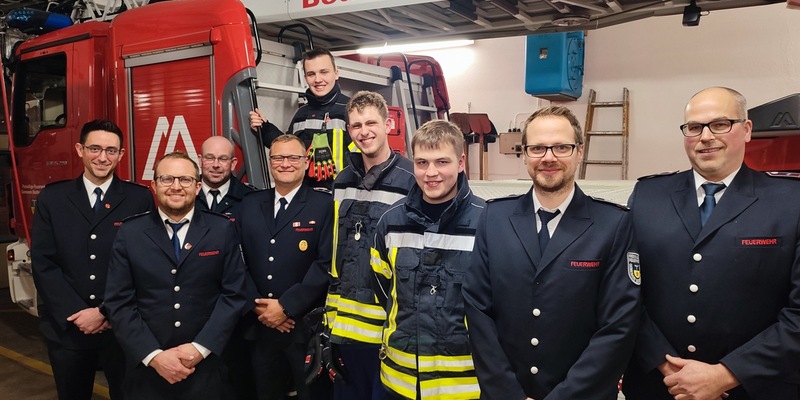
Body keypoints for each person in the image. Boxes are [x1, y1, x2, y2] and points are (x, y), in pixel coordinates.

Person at [622, 87, 800, 400]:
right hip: (660, 386)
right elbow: (624, 294)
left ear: (745, 130)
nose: (705, 137)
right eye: (694, 127)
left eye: (720, 124)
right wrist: (669, 367)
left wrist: (725, 375)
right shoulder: (648, 196)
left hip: (754, 388)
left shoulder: (789, 201)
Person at [462, 105, 641, 399]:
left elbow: (618, 326)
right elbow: (478, 310)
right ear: (524, 154)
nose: (549, 157)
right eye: (538, 148)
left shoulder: (613, 224)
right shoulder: (494, 218)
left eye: (561, 147)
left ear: (579, 151)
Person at [104, 152, 246, 400]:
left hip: (205, 368)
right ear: (154, 185)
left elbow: (233, 295)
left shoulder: (221, 229)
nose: (176, 187)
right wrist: (153, 355)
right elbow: (119, 302)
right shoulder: (130, 233)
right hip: (147, 371)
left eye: (185, 179)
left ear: (198, 186)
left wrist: (199, 349)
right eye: (167, 179)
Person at [31, 119, 155, 400]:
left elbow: (144, 264)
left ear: (121, 154)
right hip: (68, 328)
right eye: (95, 148)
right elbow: (43, 261)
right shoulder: (54, 197)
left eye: (111, 150)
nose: (102, 157)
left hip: (121, 327)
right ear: (80, 149)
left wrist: (105, 311)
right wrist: (77, 312)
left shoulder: (139, 199)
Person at [370, 120, 485, 399]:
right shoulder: (391, 221)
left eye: (441, 162)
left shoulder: (487, 222)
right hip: (399, 383)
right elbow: (382, 288)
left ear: (460, 163)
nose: (430, 173)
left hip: (463, 388)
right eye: (422, 163)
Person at [324, 90, 416, 399]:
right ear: (348, 130)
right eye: (356, 125)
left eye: (371, 123)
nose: (364, 132)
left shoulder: (412, 181)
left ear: (389, 124)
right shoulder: (342, 180)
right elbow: (337, 253)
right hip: (344, 330)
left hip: (388, 332)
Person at [237, 134, 334, 400]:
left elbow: (325, 263)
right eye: (278, 157)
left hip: (303, 328)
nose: (285, 163)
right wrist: (259, 308)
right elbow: (235, 261)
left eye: (293, 157)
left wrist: (286, 307)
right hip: (260, 326)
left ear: (305, 163)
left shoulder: (324, 205)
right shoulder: (249, 204)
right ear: (270, 163)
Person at [251, 47, 354, 188]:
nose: (318, 79)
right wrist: (265, 128)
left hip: (342, 197)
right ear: (305, 78)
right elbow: (289, 149)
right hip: (306, 196)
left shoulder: (352, 110)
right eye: (311, 74)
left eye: (324, 72)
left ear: (336, 73)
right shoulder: (301, 114)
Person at [196, 136, 255, 218]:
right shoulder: (185, 193)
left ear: (233, 163)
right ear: (200, 160)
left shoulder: (251, 198)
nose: (215, 165)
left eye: (223, 159)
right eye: (209, 158)